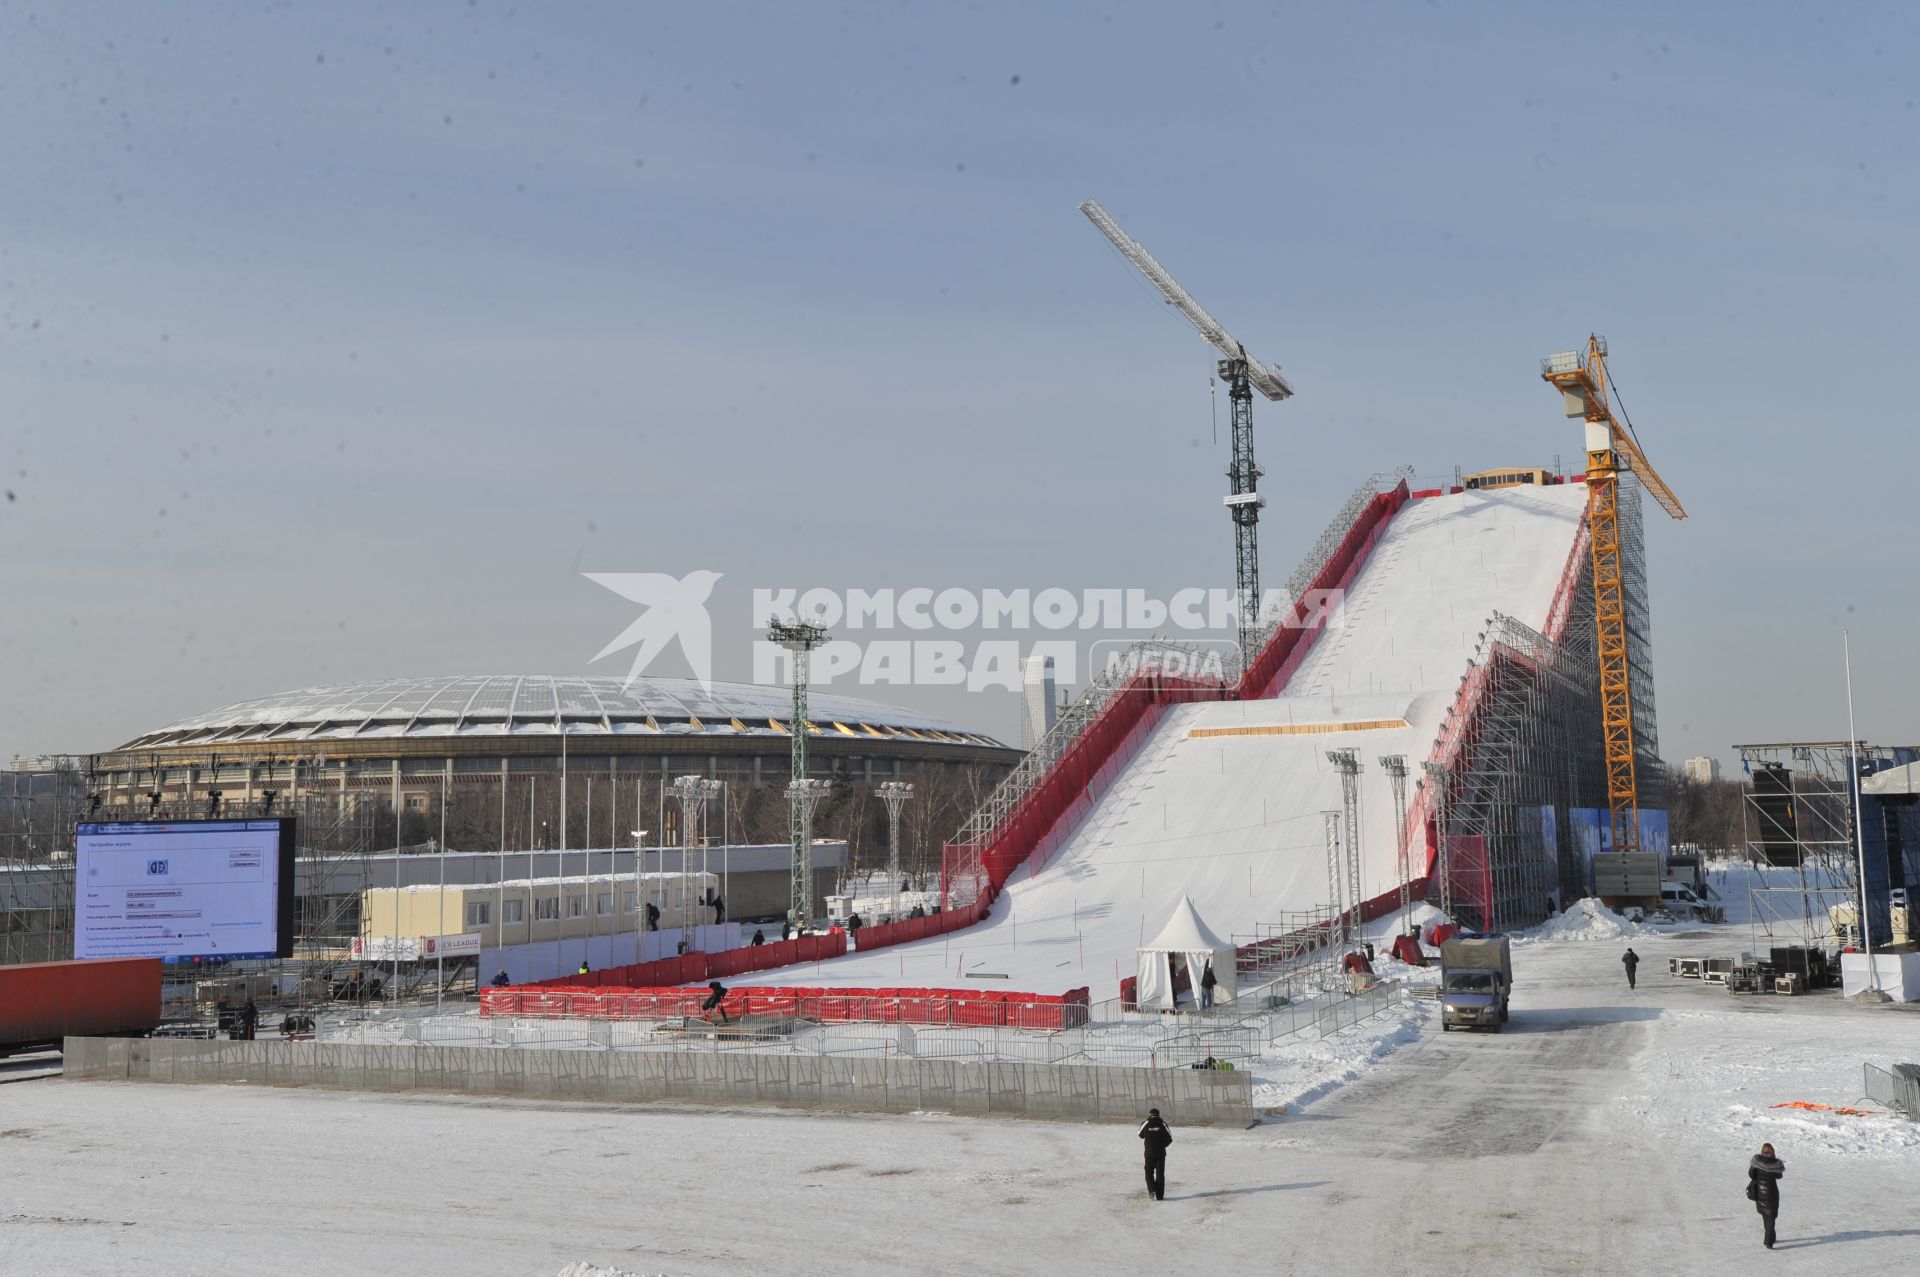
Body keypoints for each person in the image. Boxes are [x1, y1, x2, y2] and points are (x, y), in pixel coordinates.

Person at [1748, 1143, 1784, 1248]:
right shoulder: (1774, 1164)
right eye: (1767, 1152)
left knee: (1766, 1216)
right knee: (1771, 1217)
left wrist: (1753, 1166)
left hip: (1760, 1194)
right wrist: (1775, 1161)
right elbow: (1779, 1175)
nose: (1768, 1154)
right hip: (1771, 1195)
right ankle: (1769, 1242)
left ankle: (1771, 1237)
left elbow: (1751, 1175)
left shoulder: (1757, 1163)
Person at [1137, 1108, 1173, 1201]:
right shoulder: (1163, 1124)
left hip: (1149, 1153)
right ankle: (1160, 1196)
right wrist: (1162, 1145)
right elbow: (1169, 1138)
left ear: (1150, 1115)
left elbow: (1140, 1134)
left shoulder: (1146, 1123)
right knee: (1160, 1175)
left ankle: (1152, 1190)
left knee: (1148, 1173)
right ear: (1158, 1115)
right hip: (1160, 1154)